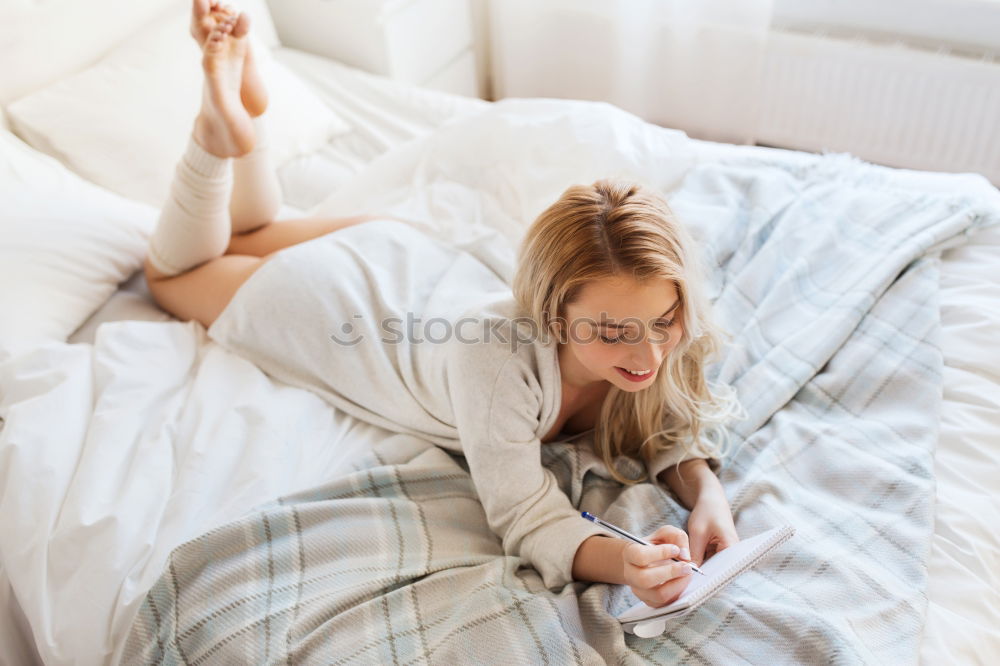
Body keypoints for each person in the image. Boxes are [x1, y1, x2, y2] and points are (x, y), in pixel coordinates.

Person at [145, 1, 745, 610]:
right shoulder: (495, 359)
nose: (648, 354)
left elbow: (670, 425)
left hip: (408, 254)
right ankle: (211, 137)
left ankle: (242, 97)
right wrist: (627, 563)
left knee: (248, 232)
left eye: (663, 323)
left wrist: (709, 498)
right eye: (615, 332)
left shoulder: (656, 310)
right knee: (171, 274)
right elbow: (527, 515)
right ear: (552, 315)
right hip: (334, 296)